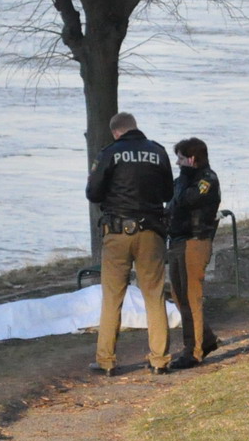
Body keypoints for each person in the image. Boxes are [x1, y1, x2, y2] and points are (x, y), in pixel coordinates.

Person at [85, 112, 174, 376]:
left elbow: (93, 193)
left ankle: (107, 361)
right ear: (135, 128)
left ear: (116, 132)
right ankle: (159, 360)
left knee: (112, 297)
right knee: (154, 296)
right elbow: (168, 192)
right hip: (151, 232)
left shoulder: (109, 153)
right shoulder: (158, 152)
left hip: (117, 233)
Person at [166, 137, 221, 370]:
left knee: (191, 296)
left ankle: (194, 351)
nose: (176, 163)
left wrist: (186, 176)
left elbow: (188, 200)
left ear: (191, 159)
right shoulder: (183, 180)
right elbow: (173, 204)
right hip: (178, 240)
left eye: (180, 158)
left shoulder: (206, 179)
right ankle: (205, 339)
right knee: (179, 296)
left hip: (195, 241)